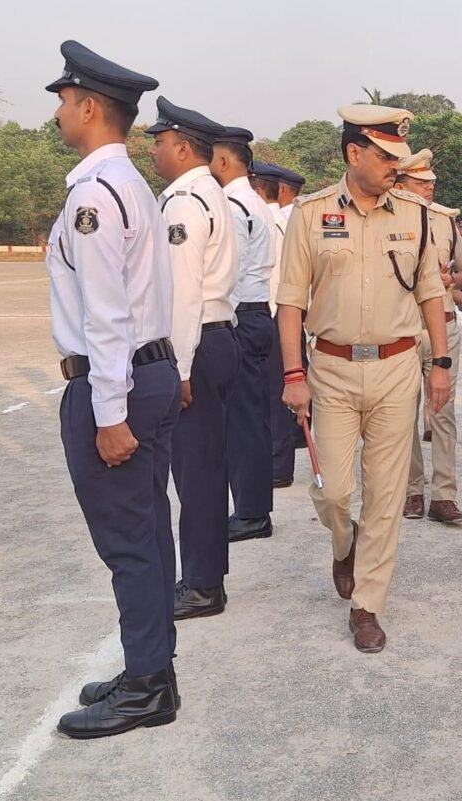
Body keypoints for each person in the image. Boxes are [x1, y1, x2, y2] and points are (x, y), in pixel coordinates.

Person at [44, 40, 181, 738]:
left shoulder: (94, 195)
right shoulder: (131, 185)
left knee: (129, 541)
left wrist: (107, 412)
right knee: (148, 532)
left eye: (65, 101)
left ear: (91, 107)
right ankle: (151, 669)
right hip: (148, 373)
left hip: (117, 383)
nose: (59, 113)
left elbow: (105, 315)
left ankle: (148, 685)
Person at [277, 105, 450, 653]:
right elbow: (289, 302)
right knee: (334, 491)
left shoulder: (416, 215)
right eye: (386, 156)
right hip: (330, 369)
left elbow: (430, 292)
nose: (396, 166)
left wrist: (441, 364)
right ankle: (343, 541)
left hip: (397, 367)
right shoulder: (311, 215)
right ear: (354, 153)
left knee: (386, 492)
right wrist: (293, 374)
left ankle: (368, 604)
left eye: (400, 157)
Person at [147, 97, 240, 619]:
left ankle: (203, 584)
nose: (153, 151)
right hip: (213, 337)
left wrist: (179, 370)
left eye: (160, 142)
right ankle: (206, 577)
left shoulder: (184, 202)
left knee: (197, 470)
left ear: (183, 148)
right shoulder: (211, 194)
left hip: (196, 343)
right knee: (205, 465)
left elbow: (183, 293)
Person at [395, 148, 462, 524]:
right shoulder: (387, 220)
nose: (429, 188)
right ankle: (412, 490)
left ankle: (444, 495)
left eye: (430, 182)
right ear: (400, 185)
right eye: (420, 182)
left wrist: (449, 279)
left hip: (443, 325)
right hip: (403, 329)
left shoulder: (444, 221)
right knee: (403, 414)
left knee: (443, 412)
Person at [211, 127, 277, 542]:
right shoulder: (253, 201)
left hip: (241, 317)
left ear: (222, 161)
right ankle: (253, 507)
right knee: (251, 417)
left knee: (243, 422)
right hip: (256, 313)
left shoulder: (233, 206)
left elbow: (227, 273)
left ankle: (252, 512)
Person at [249, 160, 300, 489]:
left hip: (270, 311)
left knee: (272, 394)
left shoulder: (269, 222)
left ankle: (278, 464)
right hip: (276, 312)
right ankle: (276, 461)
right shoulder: (279, 221)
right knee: (271, 392)